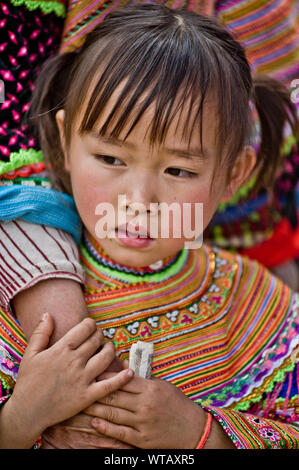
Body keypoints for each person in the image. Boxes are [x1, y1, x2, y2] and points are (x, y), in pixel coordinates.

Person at [1, 3, 299, 448]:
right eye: (110, 159)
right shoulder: (16, 299)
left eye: (178, 170)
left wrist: (200, 433)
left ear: (234, 173)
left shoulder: (257, 306)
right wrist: (20, 419)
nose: (139, 201)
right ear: (64, 142)